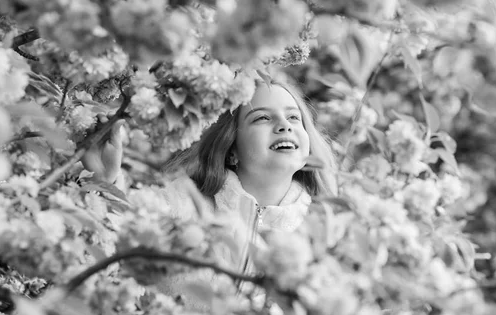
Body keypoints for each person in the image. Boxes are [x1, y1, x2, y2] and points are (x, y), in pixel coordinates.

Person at [82, 78, 337, 303]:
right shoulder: (181, 203)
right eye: (262, 117)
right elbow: (120, 240)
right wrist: (106, 179)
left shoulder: (324, 232)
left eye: (294, 117)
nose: (285, 125)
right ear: (232, 149)